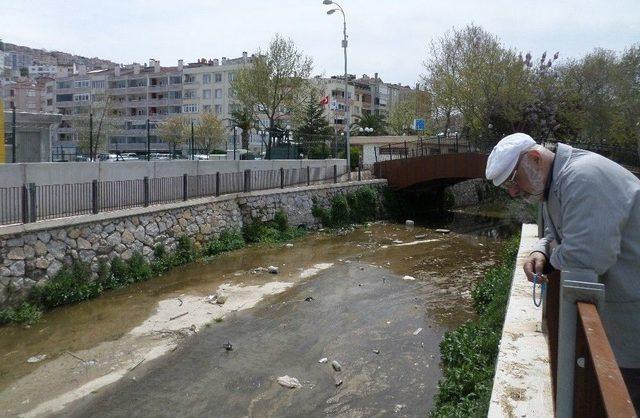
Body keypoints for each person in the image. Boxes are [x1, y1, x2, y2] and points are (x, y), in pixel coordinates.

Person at [485, 133, 640, 411]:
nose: (512, 191)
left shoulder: (583, 179)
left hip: (632, 327)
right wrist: (542, 250)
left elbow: (586, 257)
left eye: (513, 180)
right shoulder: (557, 180)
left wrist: (557, 251)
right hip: (619, 323)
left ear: (534, 158)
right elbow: (558, 235)